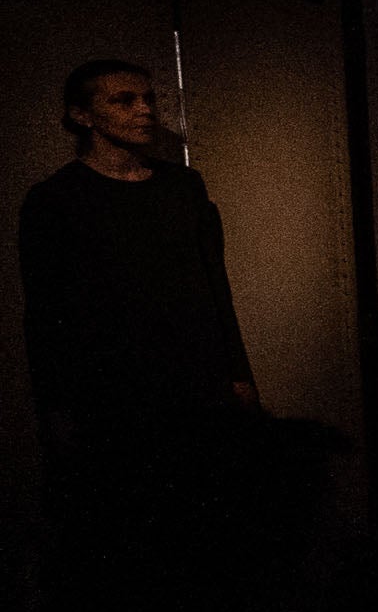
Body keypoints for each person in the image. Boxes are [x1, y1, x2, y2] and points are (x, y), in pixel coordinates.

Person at [18, 58, 258, 469]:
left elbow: (214, 285)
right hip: (110, 390)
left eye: (147, 99)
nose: (145, 110)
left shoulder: (182, 186)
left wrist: (238, 374)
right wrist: (55, 409)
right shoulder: (55, 199)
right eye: (124, 101)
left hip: (195, 379)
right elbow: (46, 312)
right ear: (82, 115)